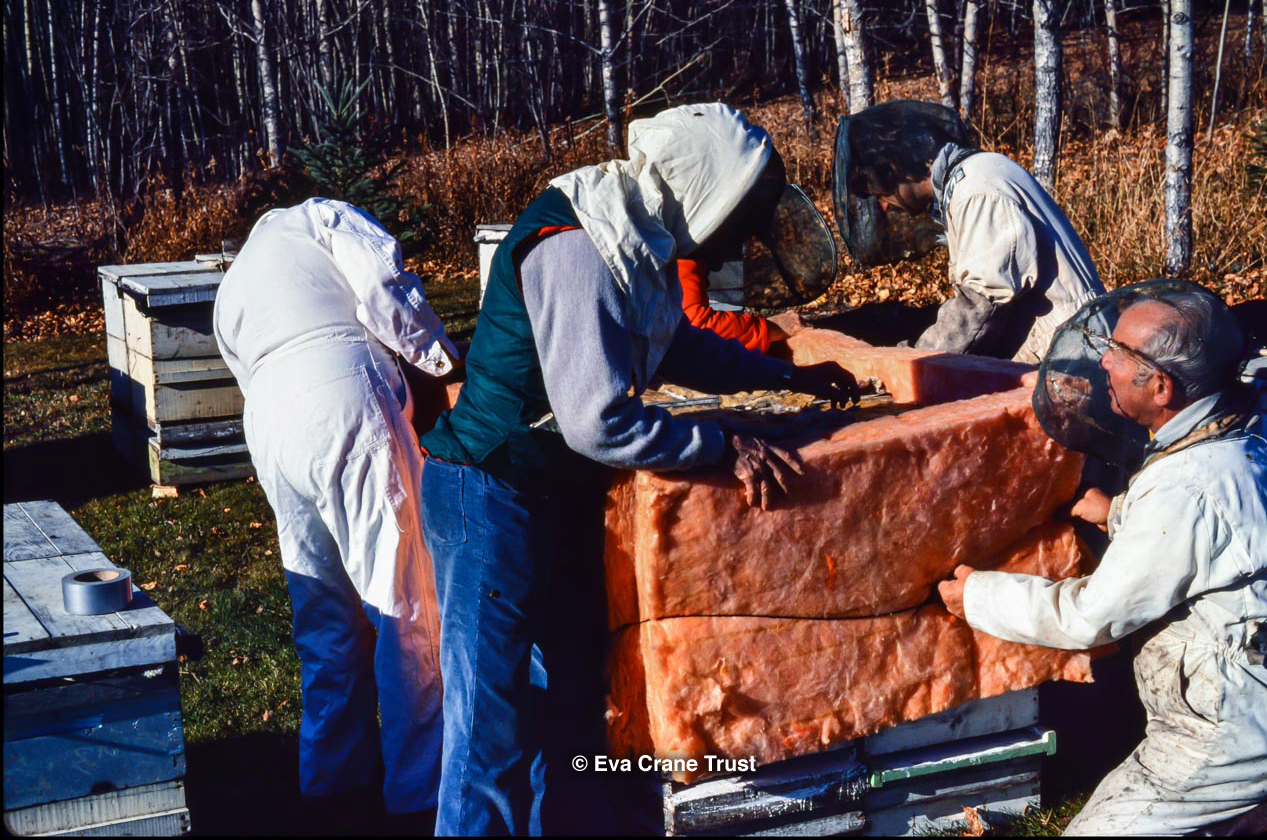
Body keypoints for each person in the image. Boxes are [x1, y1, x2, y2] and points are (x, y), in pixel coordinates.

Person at [418, 103, 860, 835]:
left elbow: (679, 345)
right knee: (489, 729)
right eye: (735, 217)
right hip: (489, 492)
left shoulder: (636, 239)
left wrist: (791, 375)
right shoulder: (580, 247)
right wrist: (721, 448)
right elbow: (595, 420)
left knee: (568, 704)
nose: (733, 242)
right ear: (702, 189)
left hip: (549, 493)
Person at [938, 286, 1267, 835]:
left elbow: (1089, 616)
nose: (1103, 362)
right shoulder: (1249, 427)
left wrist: (976, 595)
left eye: (1119, 353)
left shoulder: (1186, 486)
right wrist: (1119, 512)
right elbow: (1223, 530)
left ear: (1162, 387)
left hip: (1233, 727)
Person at [213, 198, 458, 822]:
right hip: (344, 393)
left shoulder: (232, 283)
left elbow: (244, 372)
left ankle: (333, 781)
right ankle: (419, 793)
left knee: (323, 611)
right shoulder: (320, 216)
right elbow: (383, 285)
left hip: (269, 425)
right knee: (403, 599)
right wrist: (442, 361)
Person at [832, 99, 1106, 364]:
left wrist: (914, 363)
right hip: (1064, 345)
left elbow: (981, 304)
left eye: (880, 193)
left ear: (894, 168)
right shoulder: (973, 177)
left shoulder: (976, 189)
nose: (883, 206)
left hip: (1072, 358)